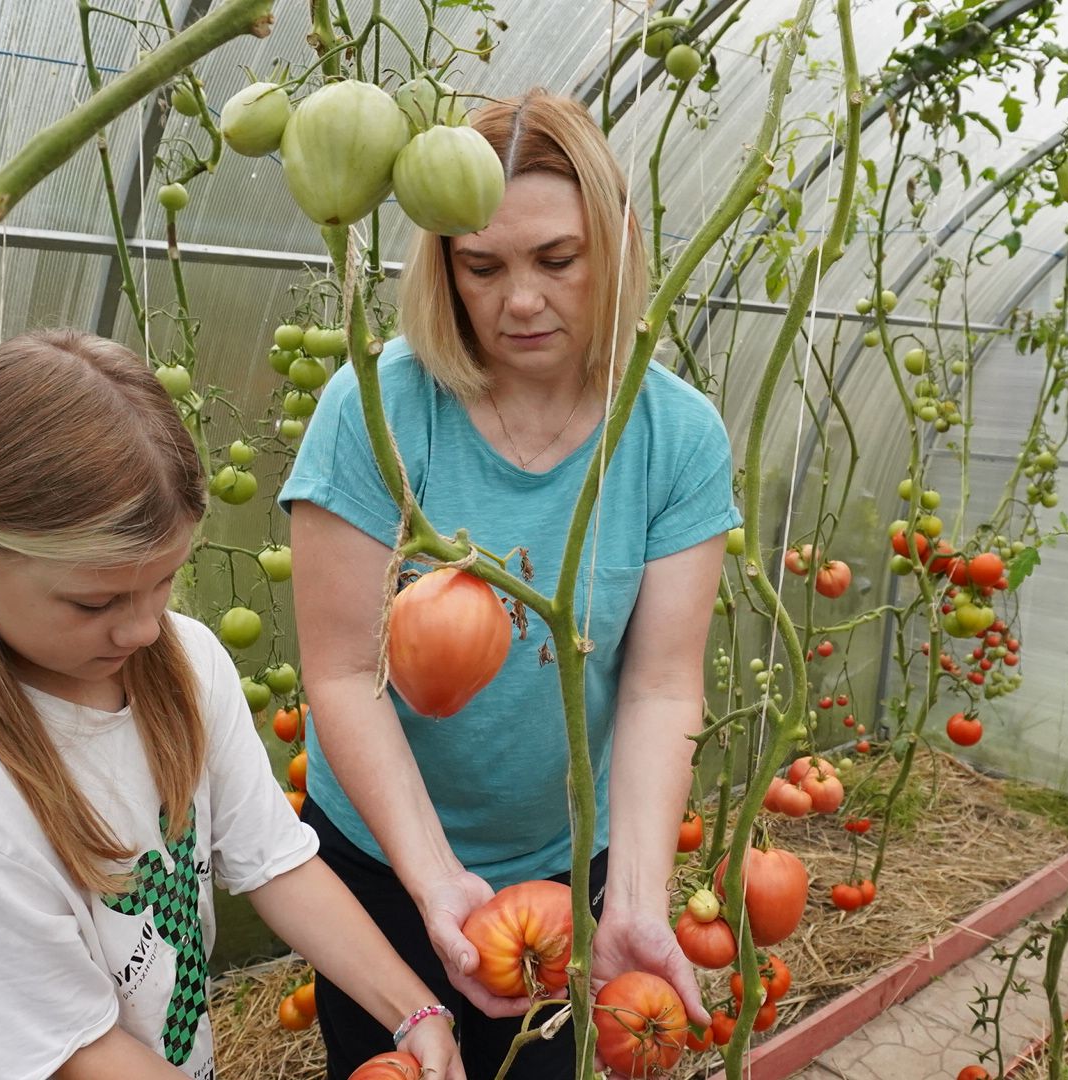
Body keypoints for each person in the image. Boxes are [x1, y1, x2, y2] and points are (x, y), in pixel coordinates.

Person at [281, 88, 739, 1079]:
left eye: (557, 261)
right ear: (441, 263)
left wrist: (635, 901)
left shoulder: (673, 435)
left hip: (574, 866)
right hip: (382, 863)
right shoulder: (378, 409)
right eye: (480, 266)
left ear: (615, 247)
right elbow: (342, 673)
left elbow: (662, 685)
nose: (519, 300)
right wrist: (435, 880)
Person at [0, 331, 464, 1080]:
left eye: (164, 581)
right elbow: (75, 1056)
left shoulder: (180, 661)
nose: (145, 627)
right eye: (95, 601)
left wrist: (415, 1010)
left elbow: (275, 863)